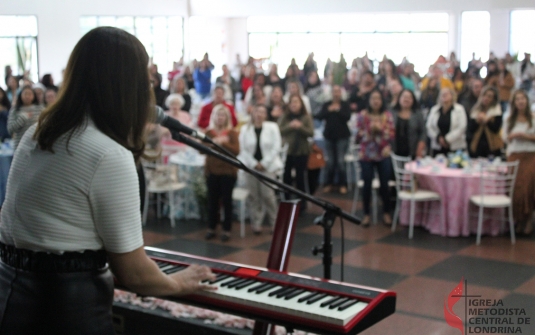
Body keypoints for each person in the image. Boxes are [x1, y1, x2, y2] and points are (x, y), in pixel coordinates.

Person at [0, 27, 215, 335]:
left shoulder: (37, 132)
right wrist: (178, 282)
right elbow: (134, 273)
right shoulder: (107, 153)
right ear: (131, 84)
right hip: (66, 311)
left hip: (10, 296)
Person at [238, 104, 282, 234]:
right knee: (254, 196)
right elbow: (243, 149)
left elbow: (276, 147)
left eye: (262, 112)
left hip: (268, 166)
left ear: (266, 115)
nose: (259, 114)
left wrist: (264, 163)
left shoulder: (272, 127)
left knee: (268, 196)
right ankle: (256, 223)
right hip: (251, 167)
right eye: (257, 111)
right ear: (253, 113)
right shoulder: (245, 129)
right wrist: (253, 163)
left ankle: (275, 222)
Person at [356, 89, 395, 226]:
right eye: (373, 98)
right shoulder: (362, 115)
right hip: (366, 154)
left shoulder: (387, 116)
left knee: (385, 185)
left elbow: (391, 135)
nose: (376, 101)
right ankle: (366, 214)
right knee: (367, 184)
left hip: (383, 154)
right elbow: (357, 135)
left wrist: (380, 130)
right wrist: (369, 129)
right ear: (369, 101)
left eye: (378, 98)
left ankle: (386, 213)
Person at [204, 104, 240, 242]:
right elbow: (201, 149)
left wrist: (224, 143)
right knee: (212, 201)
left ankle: (227, 229)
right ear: (214, 116)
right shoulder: (208, 133)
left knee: (227, 201)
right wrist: (213, 143)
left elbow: (236, 151)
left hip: (227, 172)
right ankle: (211, 227)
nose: (220, 118)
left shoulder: (232, 133)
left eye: (222, 115)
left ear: (227, 117)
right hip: (212, 171)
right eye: (218, 115)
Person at [502, 90, 535, 235]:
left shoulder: (533, 118)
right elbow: (504, 138)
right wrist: (513, 136)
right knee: (515, 189)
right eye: (517, 99)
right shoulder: (509, 119)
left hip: (530, 155)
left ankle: (528, 219)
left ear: (527, 101)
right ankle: (518, 220)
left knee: (527, 188)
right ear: (514, 103)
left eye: (523, 99)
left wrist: (525, 136)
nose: (520, 101)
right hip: (514, 155)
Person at [279, 95, 314, 208]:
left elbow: (311, 132)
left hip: (302, 151)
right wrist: (290, 126)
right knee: (286, 178)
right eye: (291, 102)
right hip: (288, 151)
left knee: (300, 178)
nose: (294, 104)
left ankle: (301, 204)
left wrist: (300, 127)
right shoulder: (285, 117)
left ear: (301, 104)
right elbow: (279, 130)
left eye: (296, 102)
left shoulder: (306, 117)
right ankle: (287, 201)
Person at [315, 85, 351, 194]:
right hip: (329, 136)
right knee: (330, 162)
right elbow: (319, 116)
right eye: (334, 91)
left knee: (340, 161)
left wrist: (338, 110)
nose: (336, 94)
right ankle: (328, 183)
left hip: (342, 137)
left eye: (338, 91)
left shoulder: (344, 105)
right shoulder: (327, 105)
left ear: (341, 93)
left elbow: (347, 117)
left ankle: (342, 184)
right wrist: (329, 110)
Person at [426, 87, 467, 156]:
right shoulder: (434, 109)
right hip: (437, 146)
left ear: (452, 96)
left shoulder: (459, 109)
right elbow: (429, 126)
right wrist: (438, 138)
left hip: (455, 146)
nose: (444, 95)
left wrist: (447, 139)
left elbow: (462, 127)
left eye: (447, 93)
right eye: (442, 94)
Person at [466, 86, 503, 158]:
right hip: (476, 146)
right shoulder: (475, 111)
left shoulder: (497, 112)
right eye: (484, 95)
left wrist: (487, 120)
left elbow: (496, 129)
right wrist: (477, 121)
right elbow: (470, 129)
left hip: (492, 146)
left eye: (489, 96)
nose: (486, 98)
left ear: (493, 99)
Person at [391, 89, 426, 158]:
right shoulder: (392, 112)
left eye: (409, 97)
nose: (406, 99)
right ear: (399, 99)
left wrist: (420, 148)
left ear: (413, 100)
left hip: (412, 152)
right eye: (404, 97)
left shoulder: (418, 114)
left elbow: (423, 132)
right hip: (393, 152)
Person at [7, 85, 44, 150]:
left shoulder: (40, 109)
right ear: (20, 95)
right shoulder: (15, 110)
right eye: (25, 94)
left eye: (30, 94)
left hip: (36, 144)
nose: (27, 96)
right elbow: (10, 129)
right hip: (20, 144)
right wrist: (22, 118)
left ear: (34, 96)